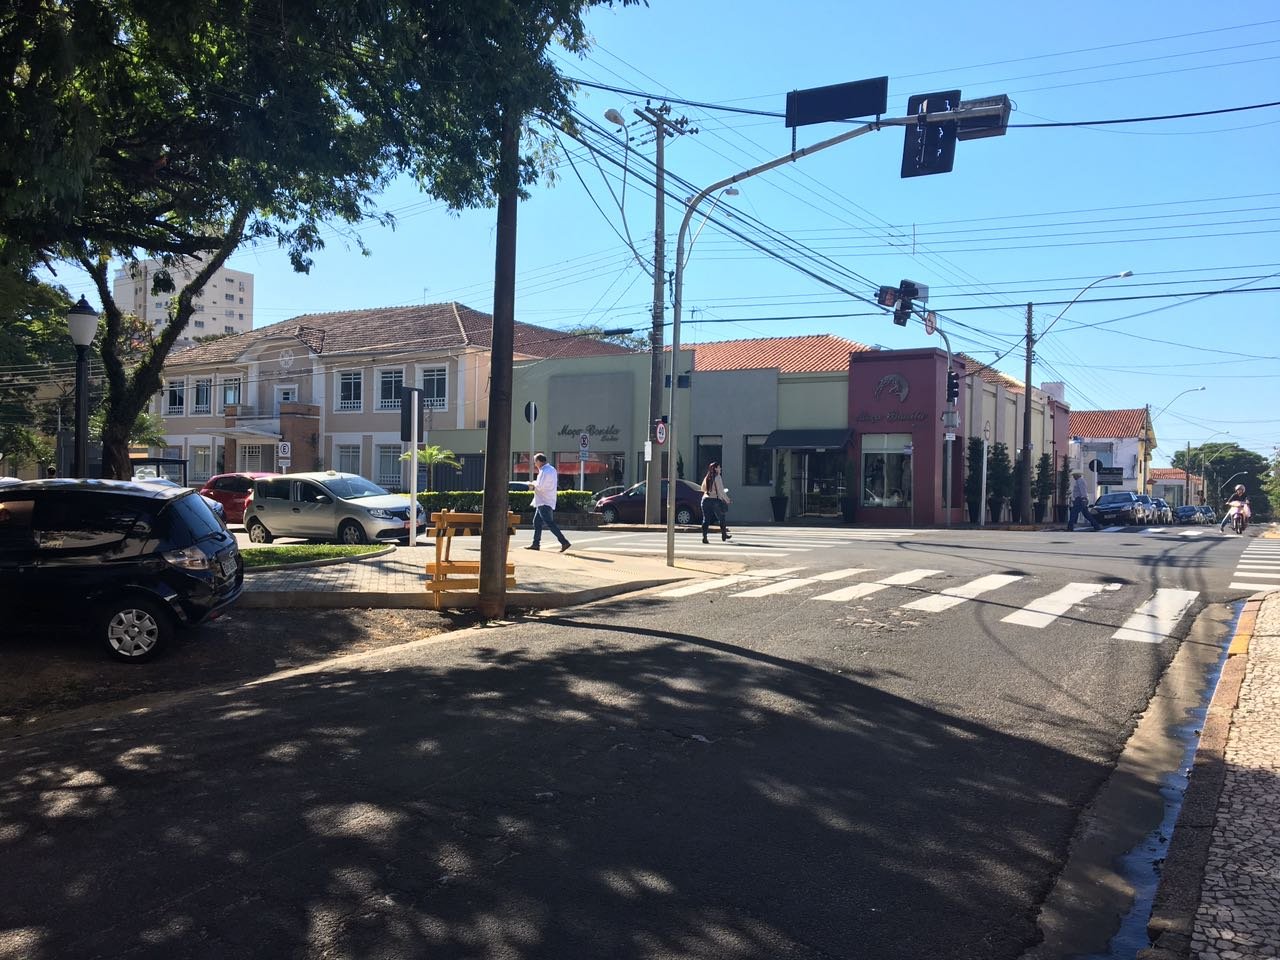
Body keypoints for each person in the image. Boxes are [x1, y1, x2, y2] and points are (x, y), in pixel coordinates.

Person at [524, 453, 570, 552]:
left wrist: (531, 484)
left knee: (549, 523)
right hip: (546, 500)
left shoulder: (544, 471)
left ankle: (564, 542)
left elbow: (540, 486)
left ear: (539, 461)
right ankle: (536, 543)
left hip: (543, 501)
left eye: (535, 462)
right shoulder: (552, 469)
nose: (535, 464)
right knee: (537, 522)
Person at [699, 462, 732, 543]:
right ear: (716, 468)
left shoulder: (707, 476)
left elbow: (702, 488)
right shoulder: (718, 477)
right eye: (719, 467)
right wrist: (727, 500)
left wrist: (710, 490)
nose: (720, 469)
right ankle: (724, 534)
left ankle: (704, 537)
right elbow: (721, 491)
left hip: (705, 500)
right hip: (715, 500)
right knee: (721, 517)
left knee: (706, 519)